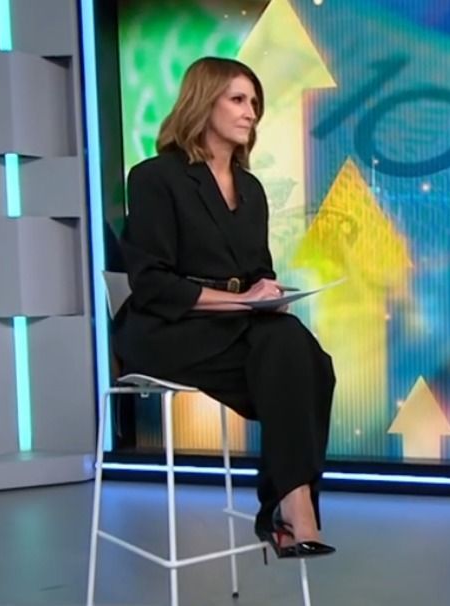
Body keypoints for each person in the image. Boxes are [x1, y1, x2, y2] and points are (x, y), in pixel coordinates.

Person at [113, 57, 337, 559]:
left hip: (234, 327)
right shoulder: (154, 177)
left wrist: (269, 294)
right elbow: (151, 284)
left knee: (300, 353)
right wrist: (240, 300)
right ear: (203, 102)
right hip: (167, 327)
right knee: (300, 369)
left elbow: (257, 270)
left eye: (254, 102)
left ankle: (291, 505)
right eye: (237, 100)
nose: (250, 112)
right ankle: (291, 509)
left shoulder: (251, 188)